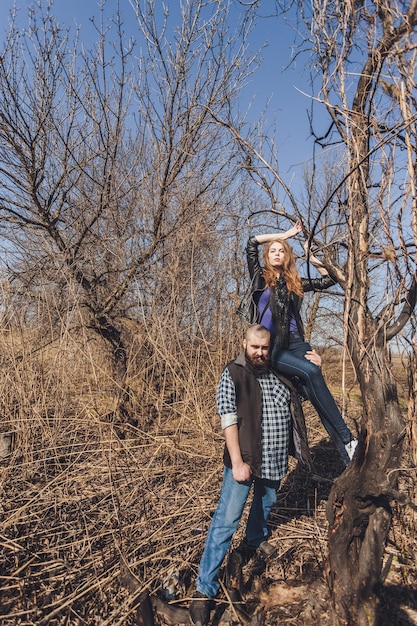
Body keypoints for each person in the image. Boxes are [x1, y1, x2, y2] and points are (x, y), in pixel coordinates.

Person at [189, 324, 311, 626]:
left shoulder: (280, 373)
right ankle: (204, 588)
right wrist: (237, 461)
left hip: (274, 460)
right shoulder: (234, 373)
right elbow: (227, 419)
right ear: (245, 343)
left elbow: (303, 396)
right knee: (226, 520)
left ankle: (256, 539)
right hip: (244, 461)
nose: (259, 352)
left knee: (265, 504)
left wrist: (312, 367)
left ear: (271, 347)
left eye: (265, 347)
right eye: (255, 346)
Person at [238, 221, 357, 466]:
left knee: (314, 384)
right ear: (267, 256)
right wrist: (285, 235)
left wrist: (314, 259)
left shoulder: (295, 282)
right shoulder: (259, 278)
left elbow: (330, 280)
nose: (277, 253)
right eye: (273, 250)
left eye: (282, 250)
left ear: (288, 256)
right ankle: (346, 437)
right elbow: (251, 243)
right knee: (311, 370)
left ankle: (348, 452)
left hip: (295, 342)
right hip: (270, 345)